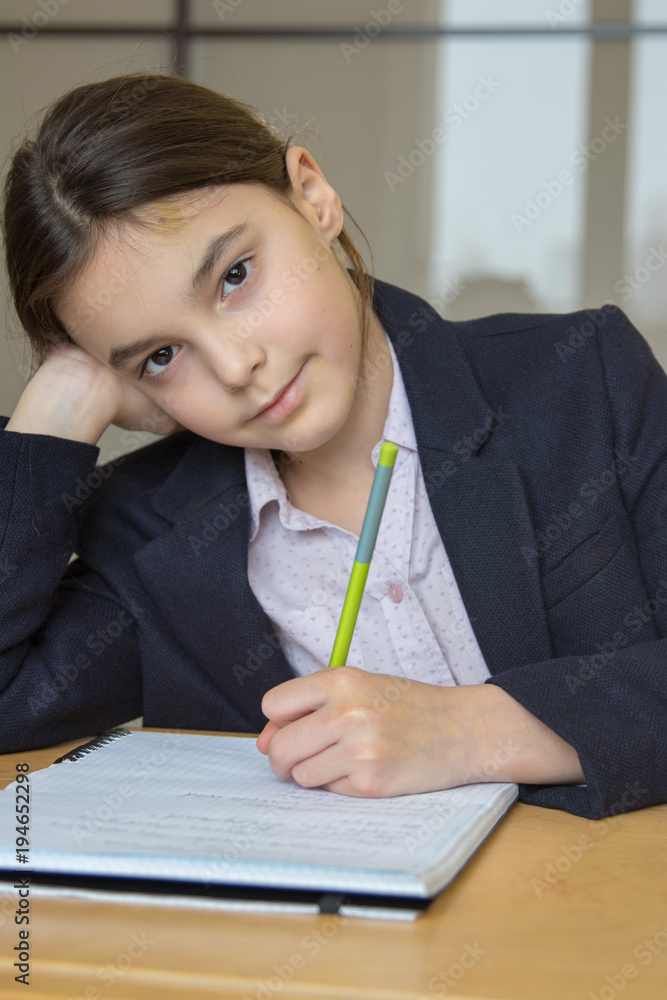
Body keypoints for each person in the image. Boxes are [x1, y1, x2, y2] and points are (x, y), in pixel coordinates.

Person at [1, 72, 665, 820]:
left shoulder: (579, 380)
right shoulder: (148, 526)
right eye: (159, 355)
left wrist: (473, 729)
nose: (234, 366)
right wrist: (50, 420)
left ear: (311, 196)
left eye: (234, 276)